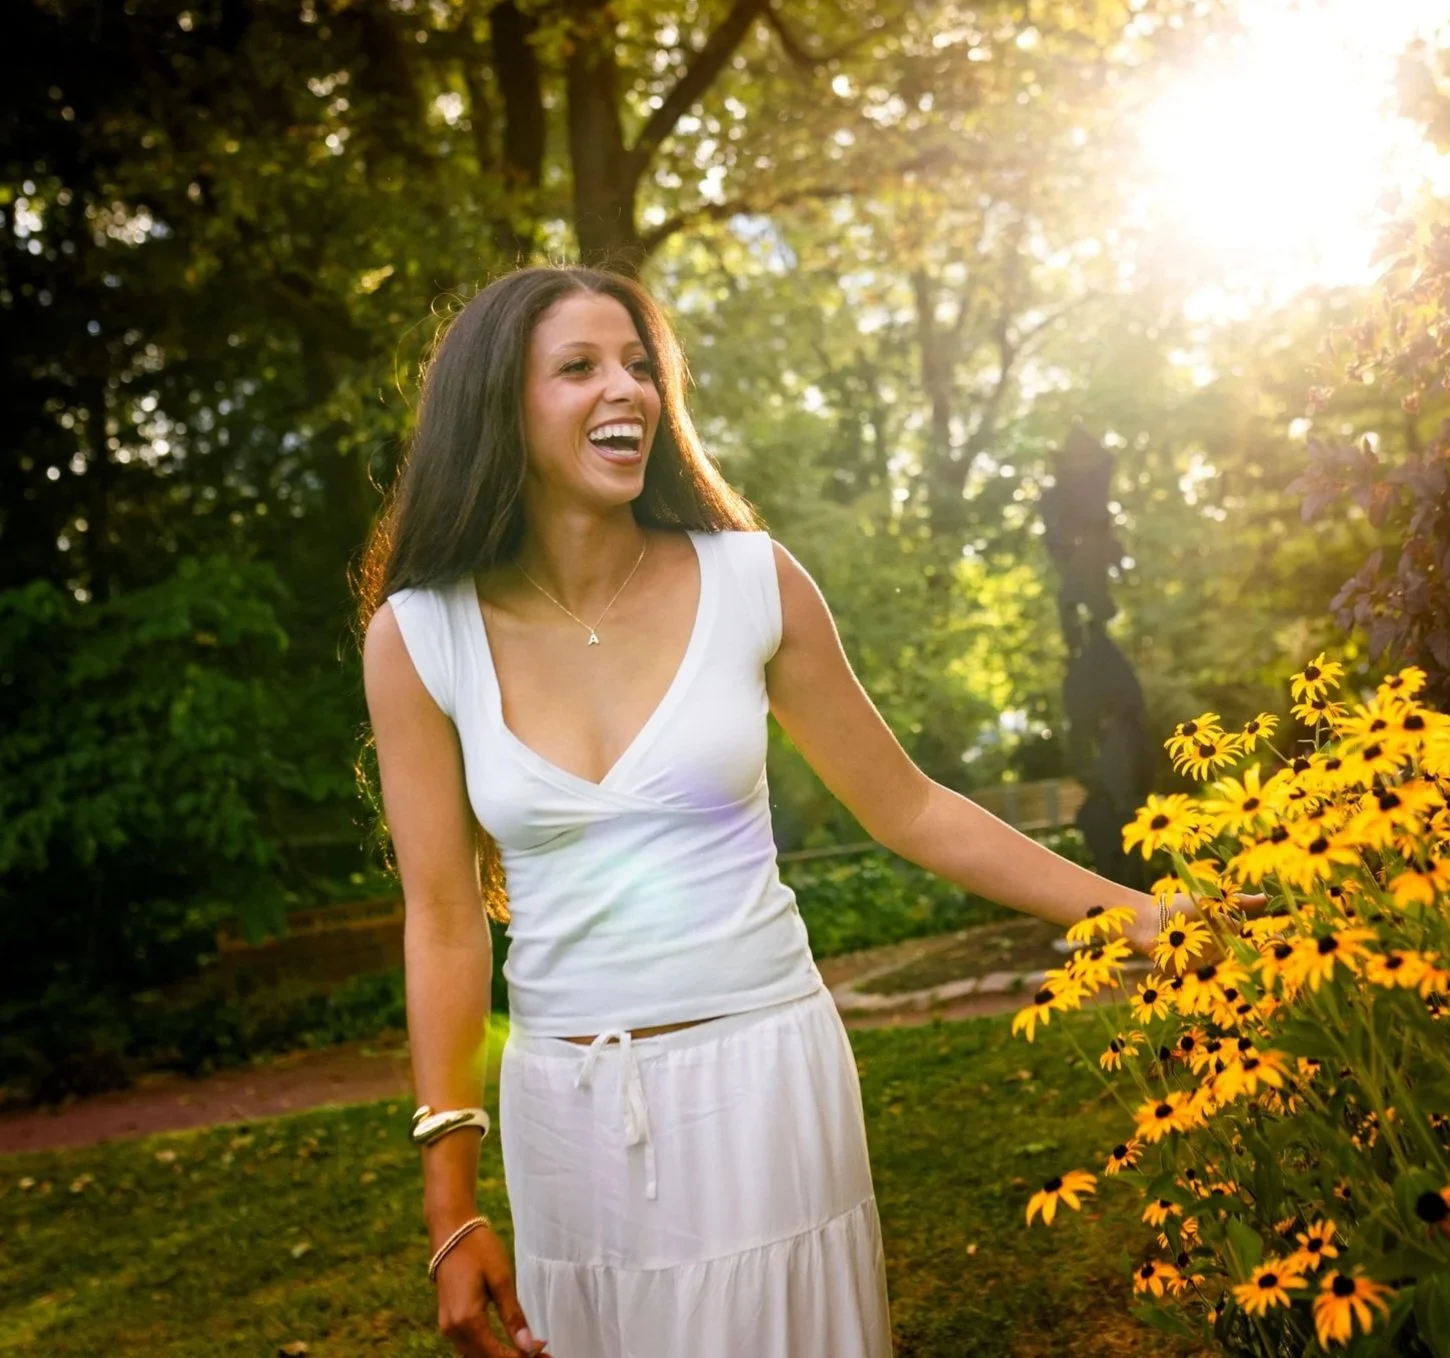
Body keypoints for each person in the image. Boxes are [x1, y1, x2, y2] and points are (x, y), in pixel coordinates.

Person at [354, 264, 1225, 1358]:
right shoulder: (419, 636)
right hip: (566, 1115)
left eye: (639, 365)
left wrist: (1140, 913)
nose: (625, 389)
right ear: (497, 406)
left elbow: (910, 807)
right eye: (577, 368)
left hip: (764, 1083)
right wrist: (453, 1204)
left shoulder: (751, 581)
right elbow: (441, 918)